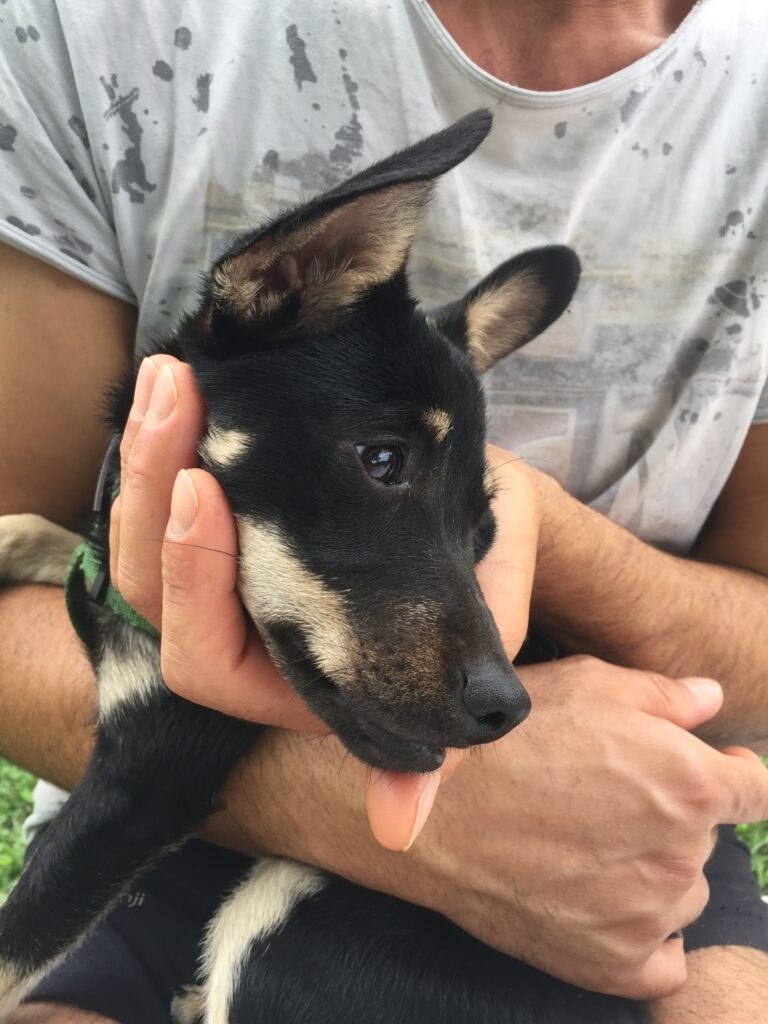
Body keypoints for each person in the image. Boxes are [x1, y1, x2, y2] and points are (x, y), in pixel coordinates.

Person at [1, 0, 767, 1022]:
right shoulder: (84, 26)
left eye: (465, 524)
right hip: (188, 831)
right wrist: (427, 816)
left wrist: (539, 519)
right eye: (382, 461)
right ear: (283, 271)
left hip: (624, 812)